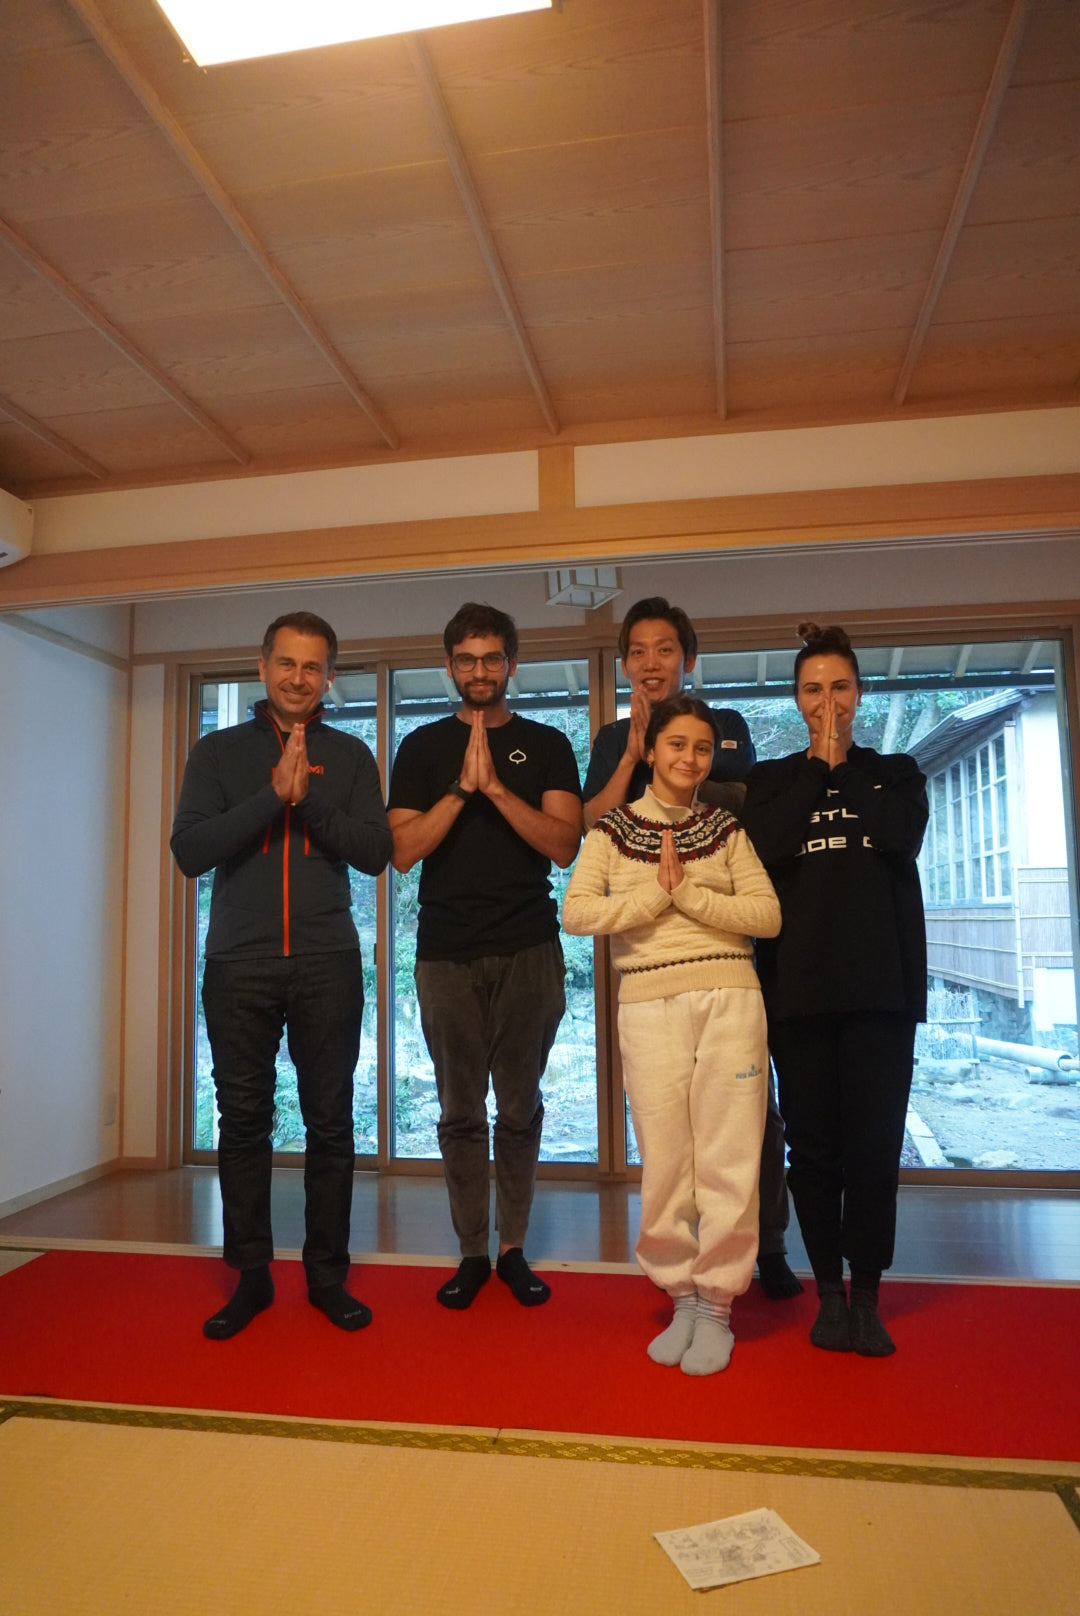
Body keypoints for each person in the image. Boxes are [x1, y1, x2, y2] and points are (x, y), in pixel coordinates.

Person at [171, 611, 392, 1340]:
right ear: (262, 666)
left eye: (313, 666)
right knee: (243, 1123)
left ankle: (327, 1275)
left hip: (328, 961)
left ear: (330, 674)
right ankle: (253, 1276)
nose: (299, 678)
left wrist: (308, 799)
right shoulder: (217, 752)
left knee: (331, 1122)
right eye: (286, 663)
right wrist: (272, 795)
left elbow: (372, 851)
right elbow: (191, 851)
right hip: (239, 963)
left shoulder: (352, 755)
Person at [582, 595, 801, 1301]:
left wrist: (680, 768)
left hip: (732, 952)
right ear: (624, 664)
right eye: (639, 652)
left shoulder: (724, 724)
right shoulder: (611, 741)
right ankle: (684, 1281)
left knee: (747, 1121)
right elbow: (595, 824)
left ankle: (763, 1247)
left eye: (665, 650)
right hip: (653, 966)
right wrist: (636, 754)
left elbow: (743, 804)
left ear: (688, 659)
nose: (652, 663)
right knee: (669, 1136)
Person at [564, 697, 780, 1375]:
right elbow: (576, 913)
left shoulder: (726, 828)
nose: (690, 758)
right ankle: (681, 1295)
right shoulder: (609, 830)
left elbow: (767, 916)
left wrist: (689, 895)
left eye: (702, 749)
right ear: (651, 750)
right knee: (665, 1160)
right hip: (648, 1001)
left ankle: (716, 1306)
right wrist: (654, 898)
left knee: (729, 1158)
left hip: (731, 997)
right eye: (677, 745)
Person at [387, 603, 582, 1310]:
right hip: (446, 956)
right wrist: (460, 788)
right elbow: (403, 852)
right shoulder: (420, 747)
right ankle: (472, 1250)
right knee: (460, 1111)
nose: (479, 670)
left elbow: (564, 844)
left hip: (530, 948)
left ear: (511, 666)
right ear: (448, 667)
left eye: (491, 658)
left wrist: (496, 787)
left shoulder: (547, 743)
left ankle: (513, 1249)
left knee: (521, 1108)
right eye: (466, 659)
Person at [741, 623, 928, 1357]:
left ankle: (870, 1292)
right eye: (813, 689)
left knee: (874, 1148)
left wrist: (844, 766)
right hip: (799, 993)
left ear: (860, 693)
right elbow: (772, 844)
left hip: (883, 993)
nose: (828, 702)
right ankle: (826, 1291)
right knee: (813, 1151)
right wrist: (818, 768)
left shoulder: (896, 772)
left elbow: (899, 837)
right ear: (795, 699)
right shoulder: (773, 781)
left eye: (840, 688)